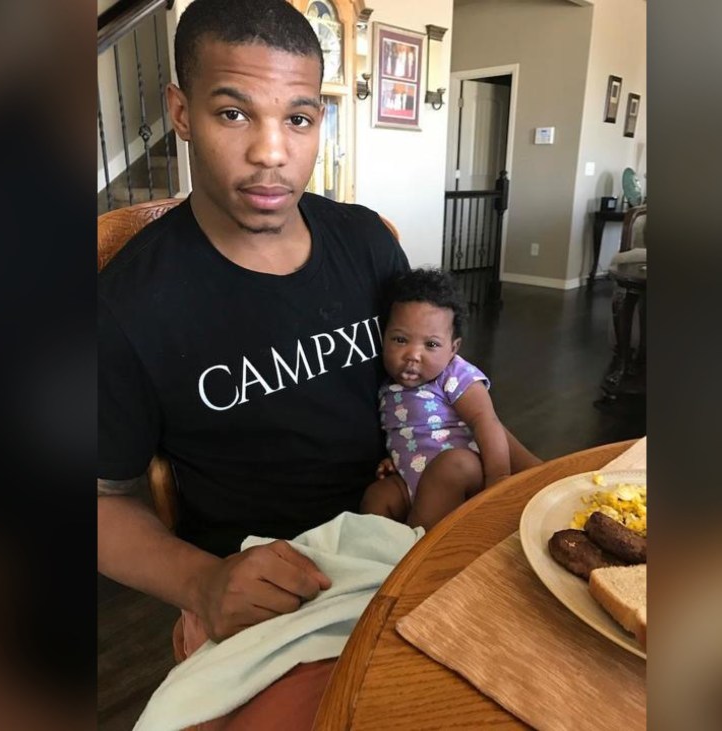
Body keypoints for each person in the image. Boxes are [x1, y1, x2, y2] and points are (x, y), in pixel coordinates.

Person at [97, 0, 539, 726]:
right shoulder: (127, 305)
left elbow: (449, 387)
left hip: (416, 528)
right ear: (180, 112)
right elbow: (104, 500)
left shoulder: (366, 243)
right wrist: (203, 584)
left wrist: (541, 481)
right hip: (279, 589)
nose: (272, 152)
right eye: (234, 113)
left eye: (298, 118)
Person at [361, 269, 509, 529]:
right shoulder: (387, 385)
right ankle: (381, 547)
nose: (413, 354)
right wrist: (396, 458)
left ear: (453, 348)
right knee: (377, 496)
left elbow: (486, 421)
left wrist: (499, 481)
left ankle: (420, 548)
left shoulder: (455, 374)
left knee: (451, 466)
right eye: (400, 340)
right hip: (411, 477)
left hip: (461, 473)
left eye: (431, 345)